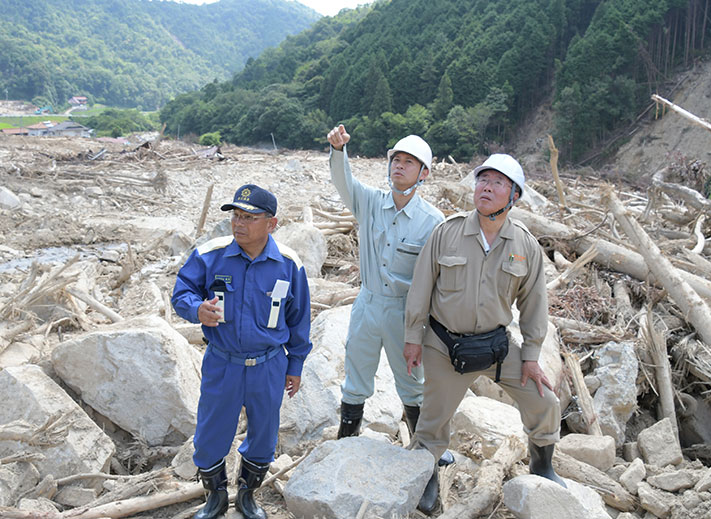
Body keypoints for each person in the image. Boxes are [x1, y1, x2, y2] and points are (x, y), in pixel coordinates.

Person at [403, 153, 565, 514]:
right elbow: (420, 289)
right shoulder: (447, 232)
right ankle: (427, 477)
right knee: (431, 424)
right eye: (482, 180)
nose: (486, 188)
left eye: (497, 183)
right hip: (444, 346)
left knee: (545, 402)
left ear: (514, 197)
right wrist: (413, 338)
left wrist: (532, 357)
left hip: (495, 347)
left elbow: (535, 305)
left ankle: (543, 465)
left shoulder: (525, 246)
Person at [172, 184, 312, 519]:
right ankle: (216, 498)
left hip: (268, 365)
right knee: (209, 436)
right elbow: (182, 292)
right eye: (236, 215)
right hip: (223, 363)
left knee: (264, 436)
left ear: (271, 224)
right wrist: (196, 310)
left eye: (249, 217)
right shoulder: (211, 254)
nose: (239, 224)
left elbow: (299, 318)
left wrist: (296, 365)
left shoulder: (289, 265)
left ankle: (248, 497)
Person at [326, 124, 447, 444]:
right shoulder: (369, 202)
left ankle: (423, 449)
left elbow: (439, 280)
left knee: (412, 381)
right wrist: (339, 151)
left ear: (424, 174)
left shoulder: (433, 222)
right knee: (356, 376)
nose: (399, 166)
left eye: (408, 162)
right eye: (396, 159)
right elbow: (343, 182)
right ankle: (346, 438)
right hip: (367, 303)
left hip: (404, 311)